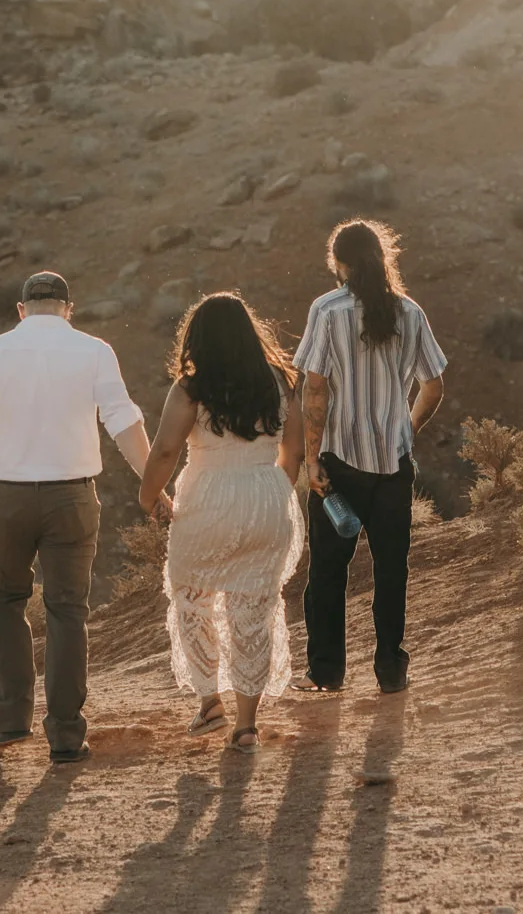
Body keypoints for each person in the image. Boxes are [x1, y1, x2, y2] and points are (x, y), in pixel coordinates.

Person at [0, 269, 150, 763]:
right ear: (68, 309)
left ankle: (11, 722)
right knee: (67, 611)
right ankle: (66, 736)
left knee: (4, 604)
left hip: (10, 499)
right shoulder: (94, 350)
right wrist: (154, 482)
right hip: (72, 498)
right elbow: (122, 418)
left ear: (21, 310)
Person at [136, 292, 305, 750]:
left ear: (198, 338)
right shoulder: (280, 381)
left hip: (208, 498)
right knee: (254, 610)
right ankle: (246, 726)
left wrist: (149, 497)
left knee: (193, 597)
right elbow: (294, 451)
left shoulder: (192, 388)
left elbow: (165, 450)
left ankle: (210, 702)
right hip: (266, 494)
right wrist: (275, 492)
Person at [292, 219, 447, 696]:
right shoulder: (410, 312)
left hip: (339, 461)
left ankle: (326, 673)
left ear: (338, 263)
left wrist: (311, 460)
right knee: (391, 570)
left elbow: (315, 389)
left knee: (327, 571)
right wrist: (407, 428)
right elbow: (433, 385)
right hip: (393, 465)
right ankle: (391, 671)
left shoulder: (327, 310)